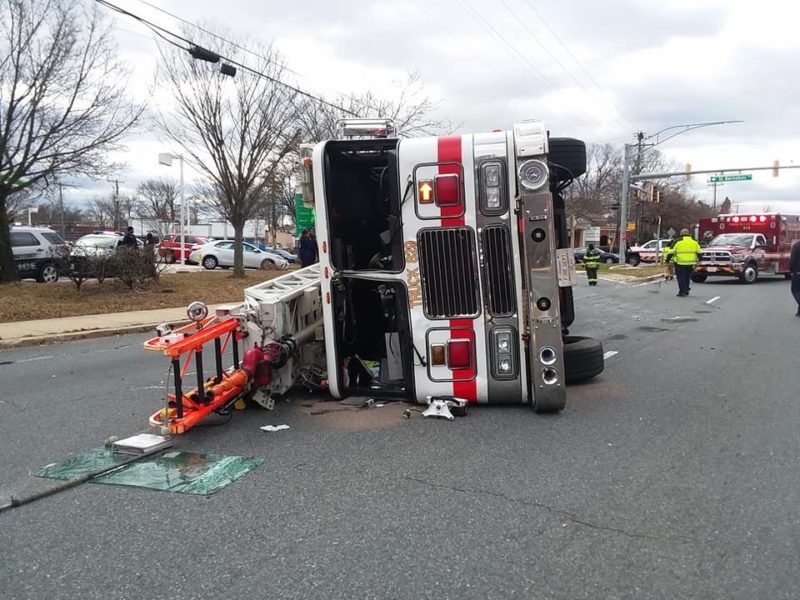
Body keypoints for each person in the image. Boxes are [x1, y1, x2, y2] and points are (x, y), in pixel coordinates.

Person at [672, 228, 701, 297]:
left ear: (681, 234)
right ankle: (686, 289)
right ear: (689, 234)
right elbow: (699, 253)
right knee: (687, 277)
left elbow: (671, 252)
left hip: (680, 263)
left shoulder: (678, 242)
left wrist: (667, 260)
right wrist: (700, 260)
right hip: (690, 263)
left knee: (681, 277)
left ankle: (682, 291)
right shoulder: (694, 242)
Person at [790, 239, 800, 316]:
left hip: (798, 272)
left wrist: (792, 270)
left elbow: (793, 259)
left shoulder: (796, 246)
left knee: (795, 290)